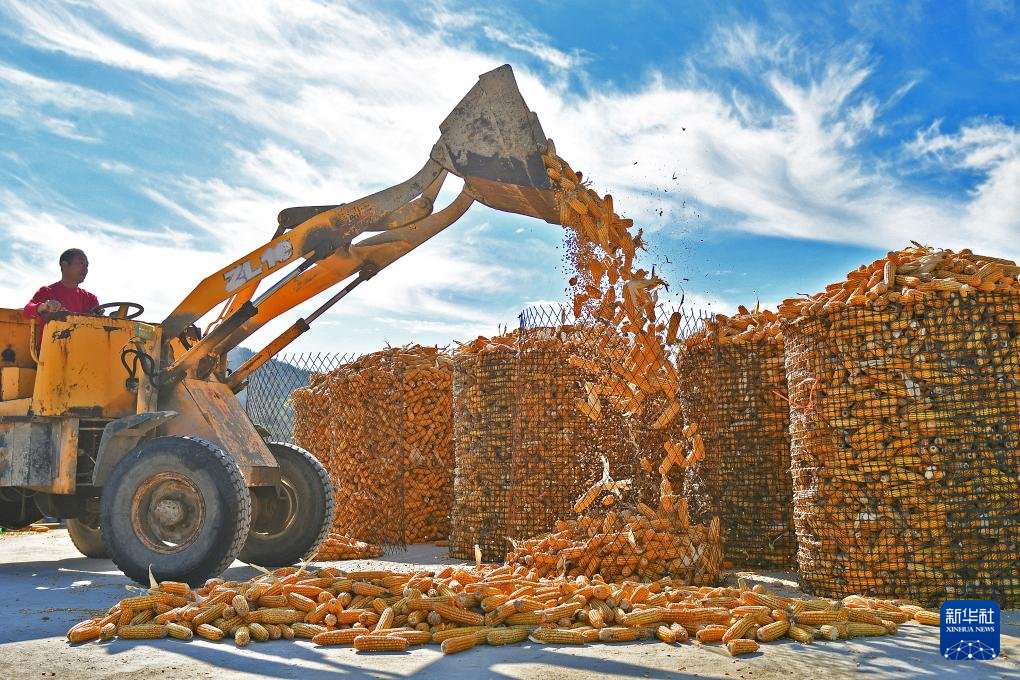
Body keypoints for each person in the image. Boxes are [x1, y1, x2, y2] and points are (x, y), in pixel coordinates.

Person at [23, 249, 99, 325]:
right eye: (81, 263)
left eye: (87, 265)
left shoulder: (91, 299)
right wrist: (44, 306)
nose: (85, 269)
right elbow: (27, 310)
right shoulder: (47, 291)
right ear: (64, 265)